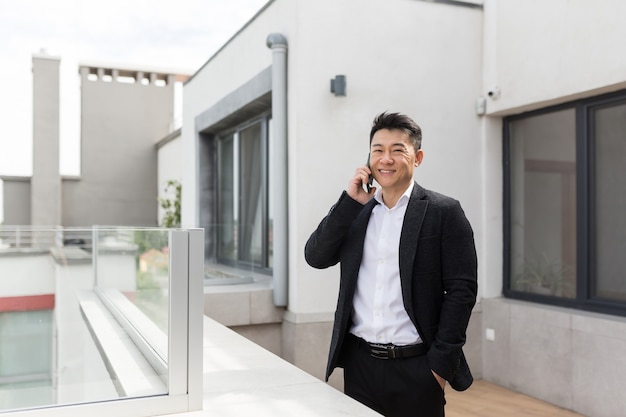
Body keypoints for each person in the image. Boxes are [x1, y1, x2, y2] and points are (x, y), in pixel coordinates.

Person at [304, 112, 477, 417]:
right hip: (360, 365)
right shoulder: (357, 211)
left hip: (418, 369)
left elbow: (462, 291)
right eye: (378, 150)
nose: (386, 159)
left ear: (417, 157)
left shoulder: (444, 212)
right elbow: (316, 257)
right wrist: (349, 201)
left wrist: (438, 368)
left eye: (398, 150)